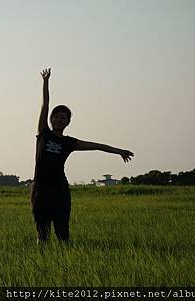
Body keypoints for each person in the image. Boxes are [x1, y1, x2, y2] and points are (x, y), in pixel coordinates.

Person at [31, 67, 134, 244]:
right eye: (56, 117)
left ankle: (67, 263)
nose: (59, 120)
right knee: (42, 234)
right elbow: (45, 105)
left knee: (63, 233)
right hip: (40, 190)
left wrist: (119, 151)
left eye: (64, 118)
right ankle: (45, 264)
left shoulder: (69, 142)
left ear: (68, 122)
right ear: (51, 119)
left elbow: (97, 146)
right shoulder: (43, 133)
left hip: (60, 191)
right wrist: (46, 82)